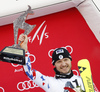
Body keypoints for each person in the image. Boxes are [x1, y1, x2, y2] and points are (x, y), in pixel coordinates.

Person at [18, 34, 85, 92]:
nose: (63, 64)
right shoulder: (49, 83)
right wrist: (24, 50)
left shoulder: (84, 80)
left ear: (70, 60)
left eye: (65, 60)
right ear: (54, 64)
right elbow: (29, 72)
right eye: (59, 62)